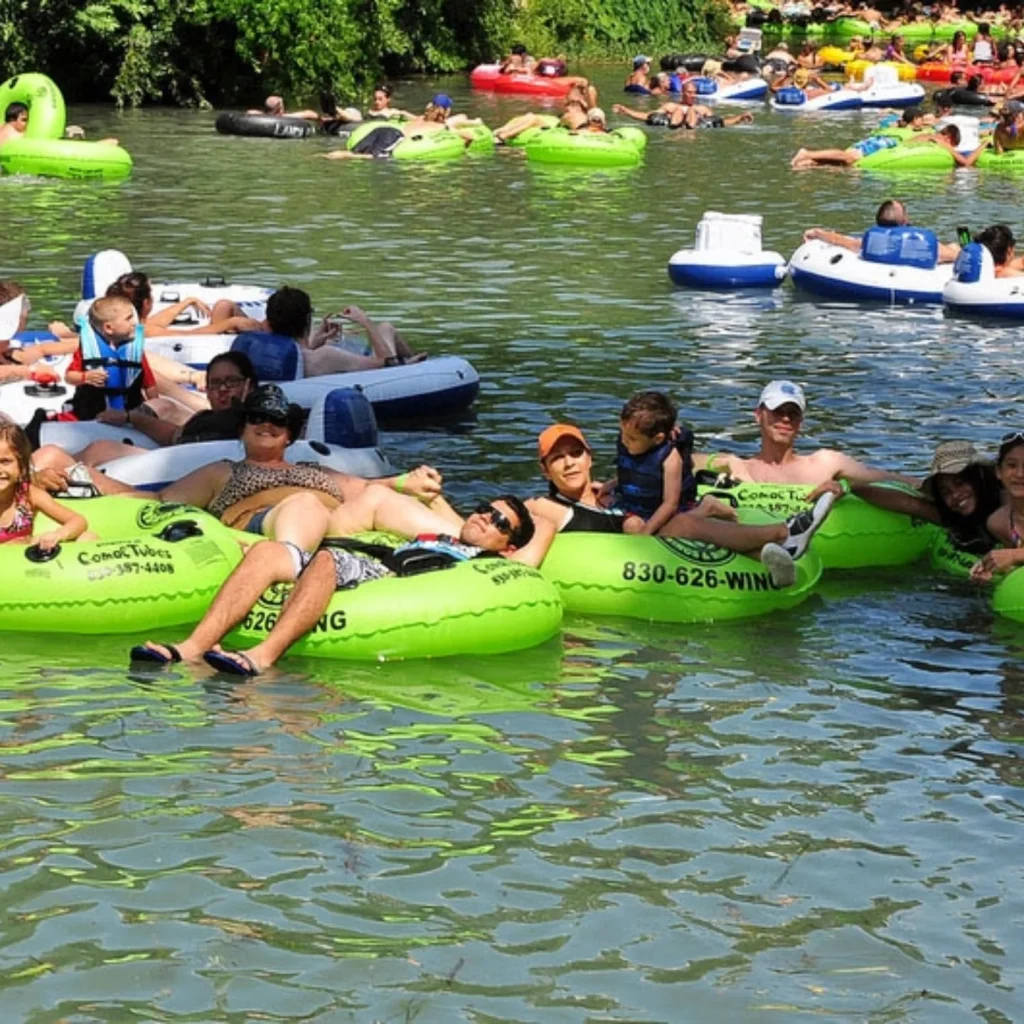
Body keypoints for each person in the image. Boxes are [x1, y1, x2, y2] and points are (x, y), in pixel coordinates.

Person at [126, 383, 444, 665]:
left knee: (377, 496)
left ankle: (471, 544)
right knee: (305, 503)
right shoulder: (222, 471)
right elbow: (159, 500)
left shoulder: (314, 469)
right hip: (268, 522)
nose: (267, 424)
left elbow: (361, 487)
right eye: (257, 417)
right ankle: (288, 566)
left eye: (277, 420)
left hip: (331, 528)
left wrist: (407, 481)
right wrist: (89, 480)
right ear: (242, 428)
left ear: (290, 433)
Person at [135, 485, 553, 676]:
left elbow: (545, 530)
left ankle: (263, 656)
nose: (483, 516)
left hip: (389, 581)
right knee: (267, 551)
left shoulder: (485, 562)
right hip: (367, 558)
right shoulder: (437, 532)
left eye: (498, 520)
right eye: (484, 507)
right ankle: (191, 648)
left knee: (332, 560)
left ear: (508, 545)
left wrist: (538, 508)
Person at [526, 423, 835, 588]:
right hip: (636, 559)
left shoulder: (613, 490)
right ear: (545, 469)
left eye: (575, 454)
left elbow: (670, 474)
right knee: (684, 524)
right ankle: (784, 533)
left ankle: (771, 556)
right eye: (557, 458)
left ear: (589, 457)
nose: (569, 464)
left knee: (692, 520)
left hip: (664, 544)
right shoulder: (549, 507)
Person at [34, 351, 259, 471]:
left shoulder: (252, 419)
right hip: (182, 459)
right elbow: (173, 436)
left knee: (98, 451)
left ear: (249, 384)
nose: (222, 390)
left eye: (231, 382)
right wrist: (132, 417)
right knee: (95, 449)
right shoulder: (205, 418)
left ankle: (42, 474)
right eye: (215, 384)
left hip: (187, 470)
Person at [696, 379, 917, 489]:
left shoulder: (824, 463)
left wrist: (927, 487)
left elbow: (881, 478)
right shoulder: (739, 466)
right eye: (778, 411)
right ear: (759, 415)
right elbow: (684, 460)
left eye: (792, 413)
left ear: (801, 421)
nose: (785, 419)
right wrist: (725, 461)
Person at [815, 440, 1003, 554]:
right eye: (945, 492)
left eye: (960, 483)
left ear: (978, 478)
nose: (955, 495)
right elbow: (906, 503)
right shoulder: (950, 515)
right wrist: (849, 487)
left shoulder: (1005, 501)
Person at [256, 287, 425, 373]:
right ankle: (417, 367)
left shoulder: (264, 353)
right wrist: (364, 320)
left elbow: (301, 355)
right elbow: (388, 364)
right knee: (385, 328)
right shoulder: (326, 356)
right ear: (307, 319)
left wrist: (316, 341)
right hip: (382, 373)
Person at [61, 295, 159, 421]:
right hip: (93, 417)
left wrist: (156, 410)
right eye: (128, 319)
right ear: (108, 328)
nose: (134, 322)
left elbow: (149, 384)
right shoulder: (88, 350)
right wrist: (85, 377)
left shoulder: (134, 351)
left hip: (128, 416)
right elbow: (69, 377)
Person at [0, 421, 87, 549]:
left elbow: (78, 520)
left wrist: (58, 535)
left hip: (23, 560)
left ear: (22, 467)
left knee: (88, 537)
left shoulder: (28, 495)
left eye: (5, 462)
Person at [802, 198, 963, 263]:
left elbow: (842, 241)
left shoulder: (870, 241)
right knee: (955, 246)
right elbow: (959, 257)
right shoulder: (924, 243)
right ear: (905, 221)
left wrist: (817, 233)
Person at [791, 124, 983, 169]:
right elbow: (965, 163)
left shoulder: (926, 133)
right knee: (848, 157)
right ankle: (807, 152)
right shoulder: (940, 140)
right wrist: (983, 145)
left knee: (847, 166)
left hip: (886, 143)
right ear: (948, 137)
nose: (951, 147)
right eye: (953, 144)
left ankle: (810, 162)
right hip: (886, 146)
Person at [972, 432, 1024, 581]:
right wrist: (991, 573)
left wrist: (1013, 555)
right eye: (1011, 465)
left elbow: (1014, 556)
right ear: (999, 472)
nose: (1020, 474)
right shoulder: (999, 523)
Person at [248, 95, 321, 121]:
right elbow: (309, 114)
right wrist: (320, 119)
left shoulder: (261, 115)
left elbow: (249, 112)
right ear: (280, 110)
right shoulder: (285, 117)